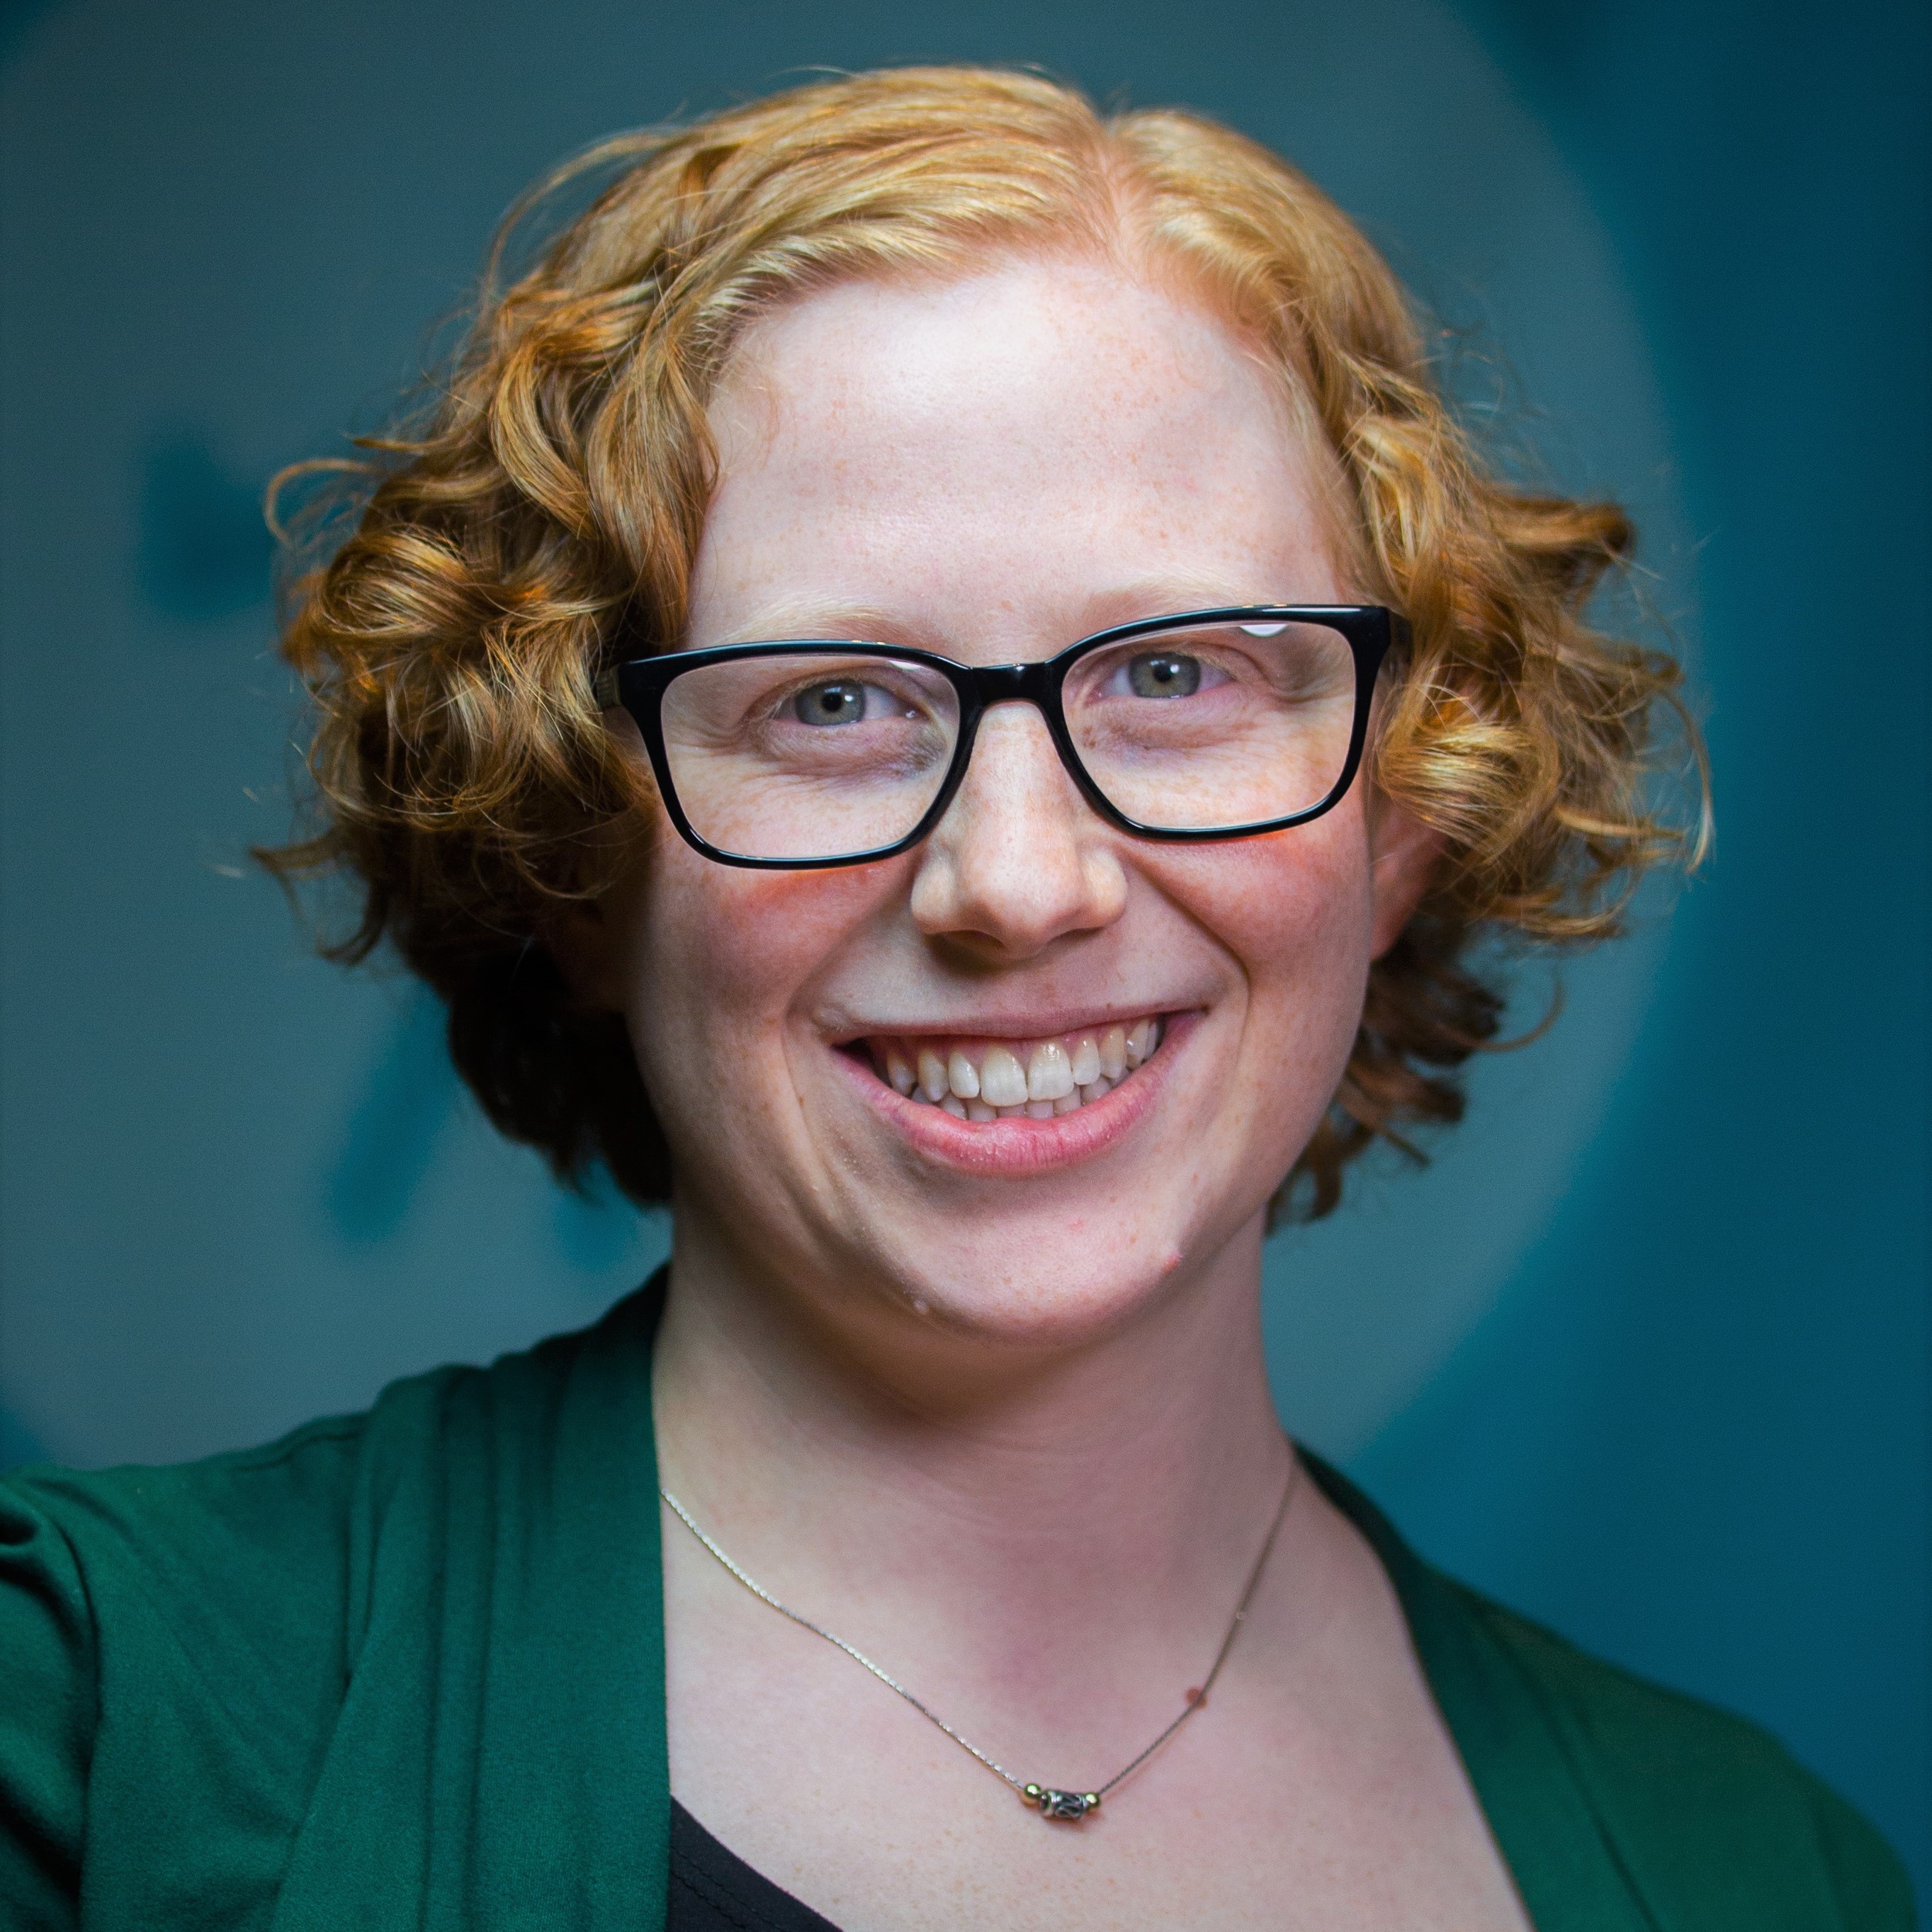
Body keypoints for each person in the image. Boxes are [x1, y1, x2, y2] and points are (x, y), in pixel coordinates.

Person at [0, 65, 1911, 1932]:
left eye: (1177, 677)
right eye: (829, 703)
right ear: (575, 857)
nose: (1015, 884)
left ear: (1405, 813)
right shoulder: (97, 1730)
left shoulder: (1757, 1874)